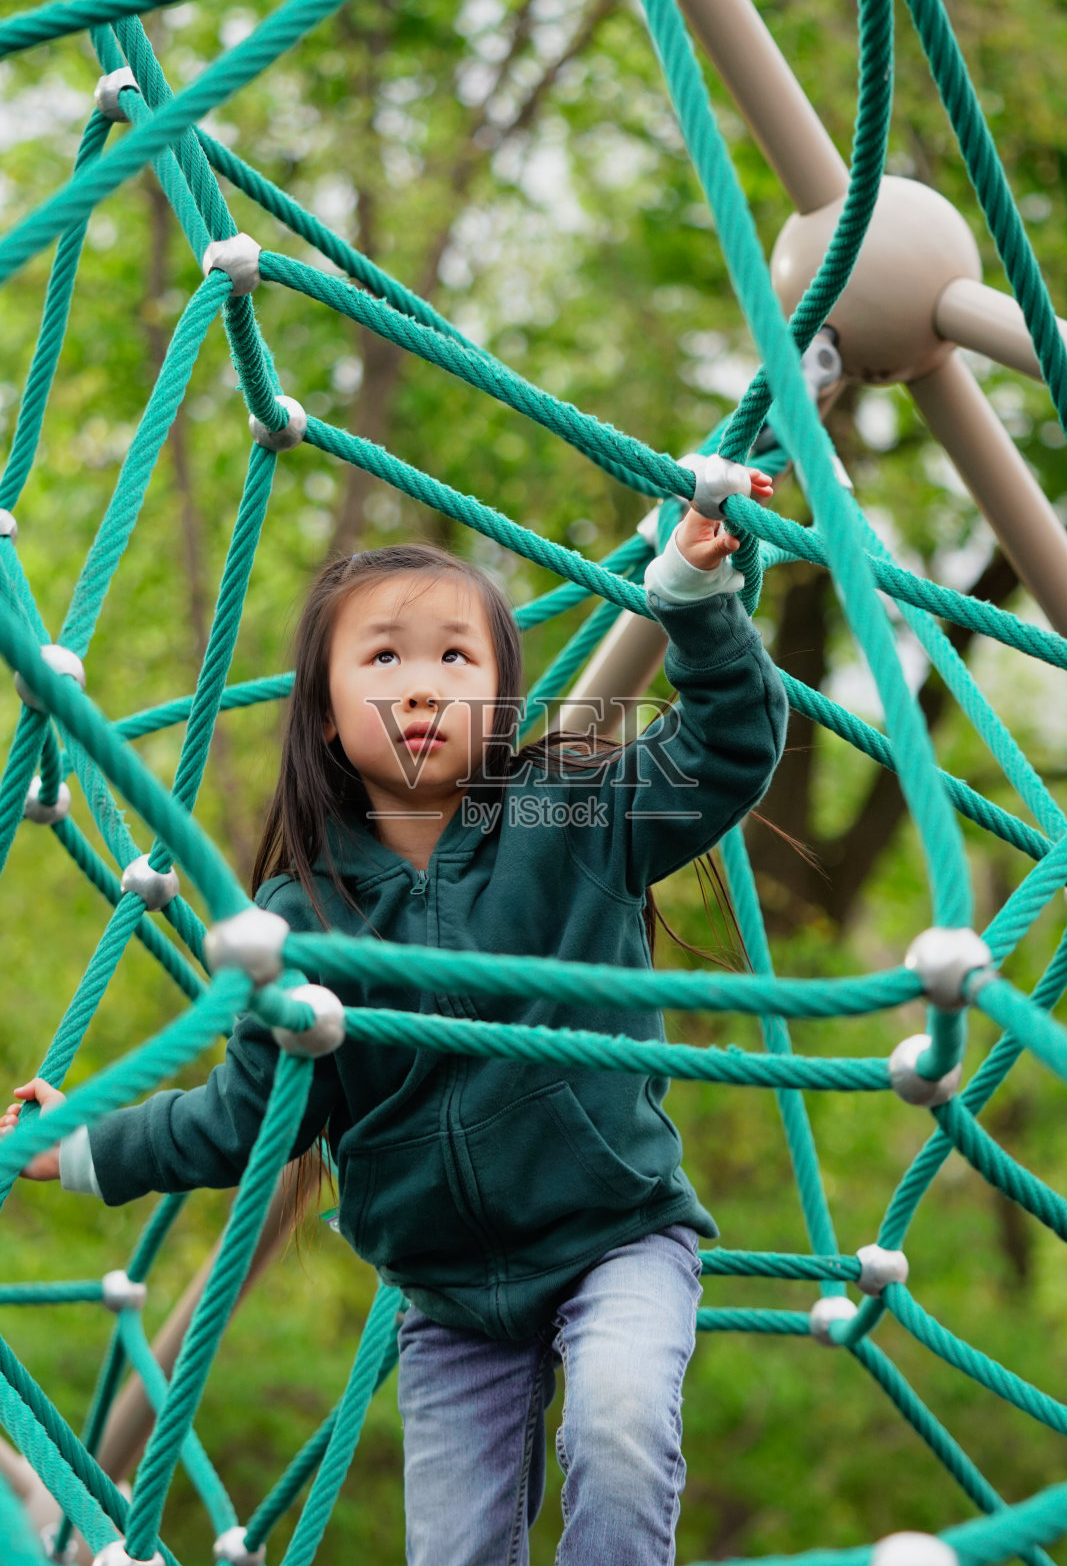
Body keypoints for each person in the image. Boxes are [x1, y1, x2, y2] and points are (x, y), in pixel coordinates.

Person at [4, 461, 787, 1566]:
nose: (420, 688)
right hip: (450, 1299)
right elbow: (239, 1118)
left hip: (616, 1235)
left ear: (500, 700)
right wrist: (80, 1143)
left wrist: (695, 604)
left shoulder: (571, 812)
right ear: (325, 718)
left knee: (615, 1432)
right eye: (383, 659)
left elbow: (726, 749)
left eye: (453, 658)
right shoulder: (304, 913)